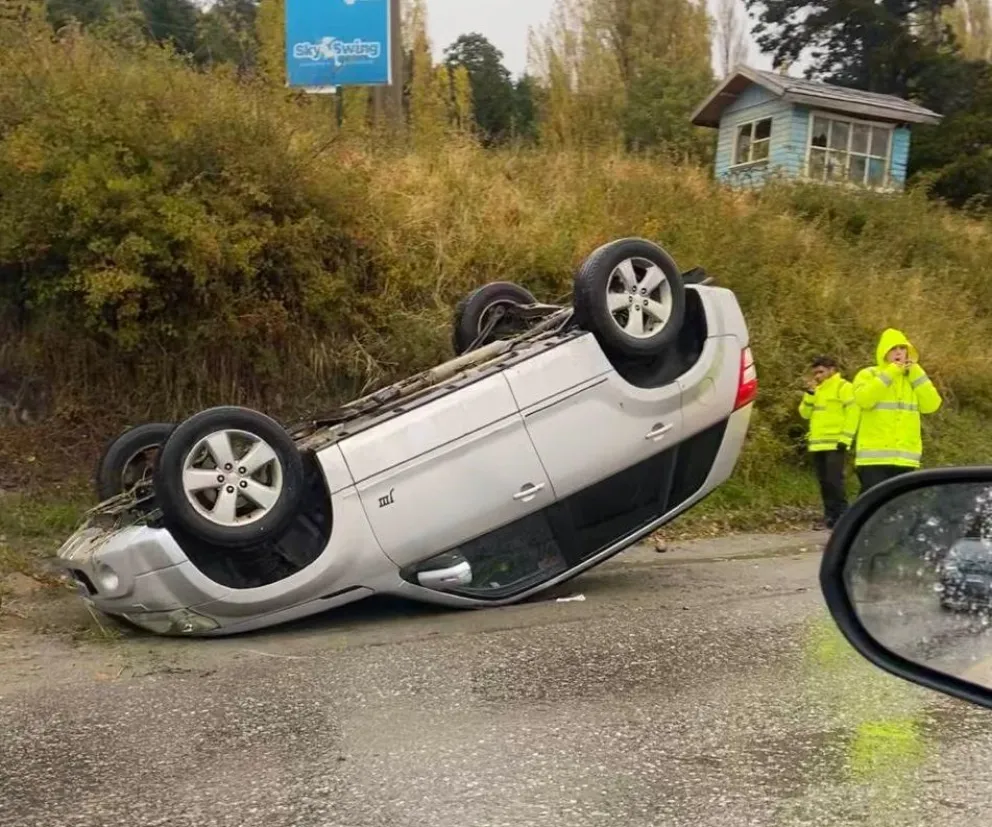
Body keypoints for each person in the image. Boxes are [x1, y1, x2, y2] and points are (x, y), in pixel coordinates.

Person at [852, 328, 942, 493]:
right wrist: (891, 372)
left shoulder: (913, 377)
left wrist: (916, 372)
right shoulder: (868, 374)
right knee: (872, 505)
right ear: (884, 351)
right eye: (893, 348)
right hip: (874, 458)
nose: (898, 352)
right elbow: (864, 400)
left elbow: (932, 405)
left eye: (902, 348)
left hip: (905, 458)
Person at [799, 355, 860, 529]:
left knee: (835, 481)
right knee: (824, 482)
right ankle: (829, 516)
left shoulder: (844, 387)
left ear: (832, 370)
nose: (817, 376)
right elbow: (804, 413)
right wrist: (809, 395)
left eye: (821, 372)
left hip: (835, 443)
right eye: (815, 373)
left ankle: (842, 515)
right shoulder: (816, 390)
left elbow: (853, 412)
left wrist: (846, 439)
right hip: (818, 444)